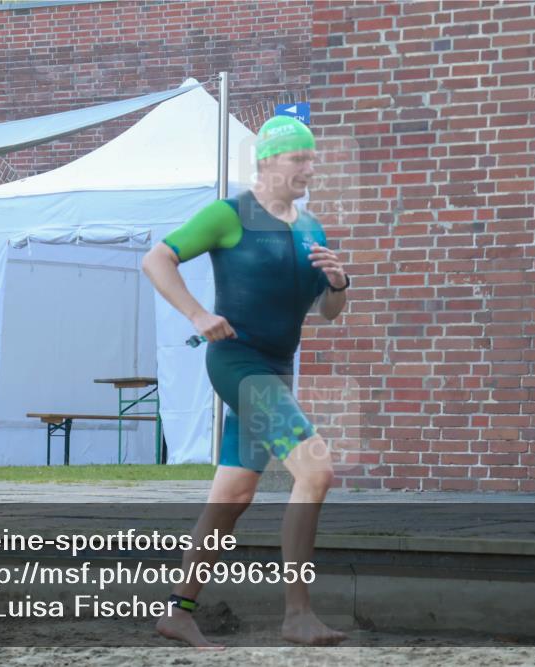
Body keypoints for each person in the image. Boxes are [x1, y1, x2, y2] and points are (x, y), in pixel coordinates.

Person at [142, 115, 349, 647]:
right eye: (298, 158)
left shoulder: (310, 227)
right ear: (267, 161)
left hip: (277, 370)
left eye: (311, 157)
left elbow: (329, 313)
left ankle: (179, 610)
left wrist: (338, 283)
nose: (309, 166)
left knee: (233, 495)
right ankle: (297, 613)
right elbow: (157, 259)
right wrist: (195, 315)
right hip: (238, 363)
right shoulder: (229, 215)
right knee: (316, 470)